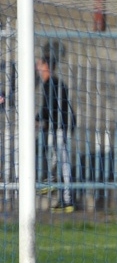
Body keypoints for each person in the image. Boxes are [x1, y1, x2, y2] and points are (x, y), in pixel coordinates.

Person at [37, 51, 76, 213]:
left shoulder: (52, 84)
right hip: (57, 128)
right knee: (56, 160)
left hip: (60, 128)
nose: (38, 69)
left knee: (62, 163)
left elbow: (50, 108)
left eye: (39, 65)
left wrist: (38, 119)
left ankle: (66, 200)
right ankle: (55, 189)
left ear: (46, 66)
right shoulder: (51, 84)